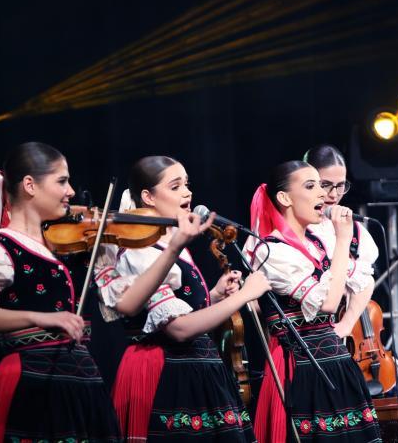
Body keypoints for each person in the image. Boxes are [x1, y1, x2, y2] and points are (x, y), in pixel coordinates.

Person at [0, 142, 121, 442]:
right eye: (62, 181)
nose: (71, 192)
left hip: (83, 384)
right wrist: (40, 317)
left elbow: (126, 303)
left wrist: (172, 246)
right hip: (31, 381)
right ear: (30, 185)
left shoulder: (70, 247)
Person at [95, 155, 270, 442]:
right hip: (167, 370)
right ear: (148, 197)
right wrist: (244, 296)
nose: (187, 193)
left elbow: (181, 309)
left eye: (187, 184)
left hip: (196, 368)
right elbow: (178, 328)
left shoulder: (171, 241)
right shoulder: (142, 250)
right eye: (175, 186)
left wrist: (214, 295)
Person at [247, 160, 381, 442]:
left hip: (336, 361)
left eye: (321, 185)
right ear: (284, 198)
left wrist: (347, 324)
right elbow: (328, 303)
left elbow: (363, 279)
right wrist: (343, 240)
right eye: (311, 186)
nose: (323, 193)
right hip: (299, 366)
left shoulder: (318, 243)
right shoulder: (272, 251)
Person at [303, 144, 377, 340]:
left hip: (339, 339)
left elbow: (365, 281)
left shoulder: (354, 230)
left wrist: (346, 325)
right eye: (326, 184)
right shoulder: (291, 227)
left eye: (341, 185)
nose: (334, 194)